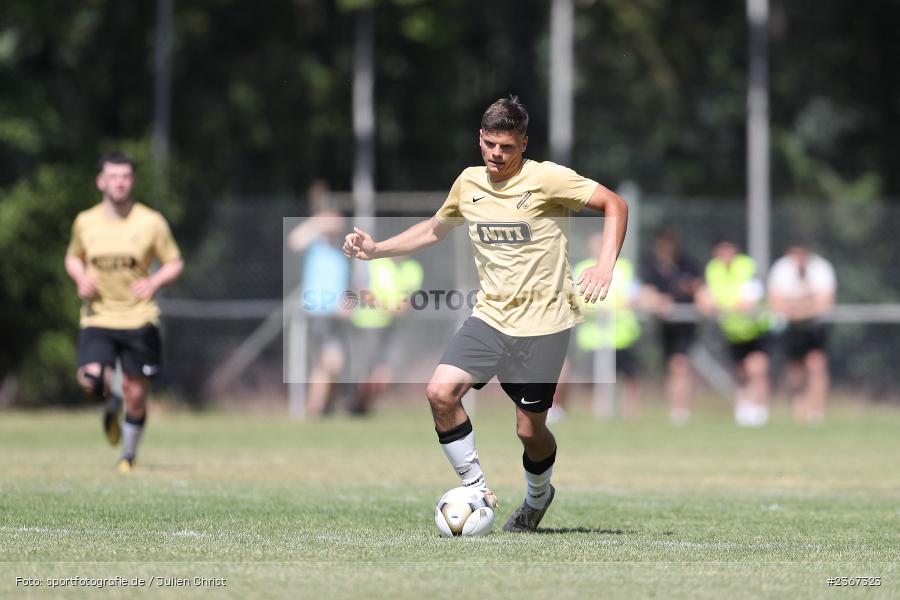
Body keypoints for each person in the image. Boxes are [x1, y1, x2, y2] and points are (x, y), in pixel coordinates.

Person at [343, 96, 628, 532]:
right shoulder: (469, 182)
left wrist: (605, 263)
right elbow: (436, 227)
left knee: (529, 432)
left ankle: (537, 496)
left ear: (523, 144)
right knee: (440, 393)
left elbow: (615, 204)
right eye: (490, 144)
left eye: (507, 147)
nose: (497, 155)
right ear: (480, 138)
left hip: (544, 326)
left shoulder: (548, 178)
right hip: (490, 319)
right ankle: (476, 488)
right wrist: (378, 250)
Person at [65, 152, 184, 472]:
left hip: (139, 318)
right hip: (99, 317)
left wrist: (155, 281)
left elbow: (175, 262)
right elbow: (73, 257)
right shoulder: (85, 222)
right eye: (113, 176)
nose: (119, 182)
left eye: (125, 176)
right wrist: (80, 278)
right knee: (91, 381)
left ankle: (128, 456)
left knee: (135, 392)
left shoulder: (151, 221)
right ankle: (110, 403)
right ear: (101, 181)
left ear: (133, 181)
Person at [551, 233, 641, 422]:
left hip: (622, 335)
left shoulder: (624, 268)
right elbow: (575, 301)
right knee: (593, 382)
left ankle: (631, 418)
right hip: (593, 338)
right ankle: (598, 416)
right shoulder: (582, 268)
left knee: (629, 378)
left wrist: (615, 308)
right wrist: (595, 310)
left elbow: (633, 297)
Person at [288, 182, 350, 417]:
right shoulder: (317, 246)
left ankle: (321, 408)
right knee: (333, 361)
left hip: (334, 313)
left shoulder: (340, 252)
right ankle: (318, 407)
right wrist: (318, 221)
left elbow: (344, 285)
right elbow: (295, 240)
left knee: (325, 364)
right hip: (318, 311)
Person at [696, 237, 770, 426]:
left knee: (757, 368)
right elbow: (704, 298)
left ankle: (759, 408)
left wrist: (721, 306)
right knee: (741, 372)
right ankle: (744, 407)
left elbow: (748, 300)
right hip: (731, 331)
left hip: (754, 329)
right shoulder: (713, 269)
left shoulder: (746, 266)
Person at [767, 243, 836, 424]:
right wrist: (806, 303)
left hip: (814, 328)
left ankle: (816, 413)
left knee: (816, 365)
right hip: (791, 329)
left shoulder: (821, 268)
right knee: (795, 371)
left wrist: (795, 306)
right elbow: (776, 303)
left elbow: (824, 303)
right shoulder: (781, 269)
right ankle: (799, 412)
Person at [347, 256, 423, 415]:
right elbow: (360, 291)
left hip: (394, 329)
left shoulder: (413, 268)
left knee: (384, 375)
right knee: (364, 378)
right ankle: (358, 405)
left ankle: (361, 406)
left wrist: (390, 308)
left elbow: (405, 305)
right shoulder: (375, 264)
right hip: (367, 325)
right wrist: (387, 307)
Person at [641, 229, 702, 424]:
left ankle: (681, 410)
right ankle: (675, 409)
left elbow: (700, 287)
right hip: (664, 327)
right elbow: (647, 294)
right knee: (672, 367)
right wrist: (660, 301)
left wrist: (689, 288)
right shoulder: (651, 267)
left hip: (685, 325)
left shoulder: (687, 264)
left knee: (680, 365)